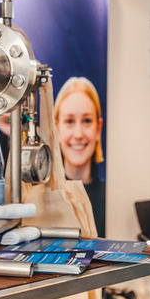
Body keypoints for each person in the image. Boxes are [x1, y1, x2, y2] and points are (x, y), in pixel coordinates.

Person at [54, 76, 106, 237]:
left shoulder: (113, 197)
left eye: (87, 121)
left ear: (98, 129)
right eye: (69, 121)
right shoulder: (41, 198)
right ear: (57, 128)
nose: (78, 134)